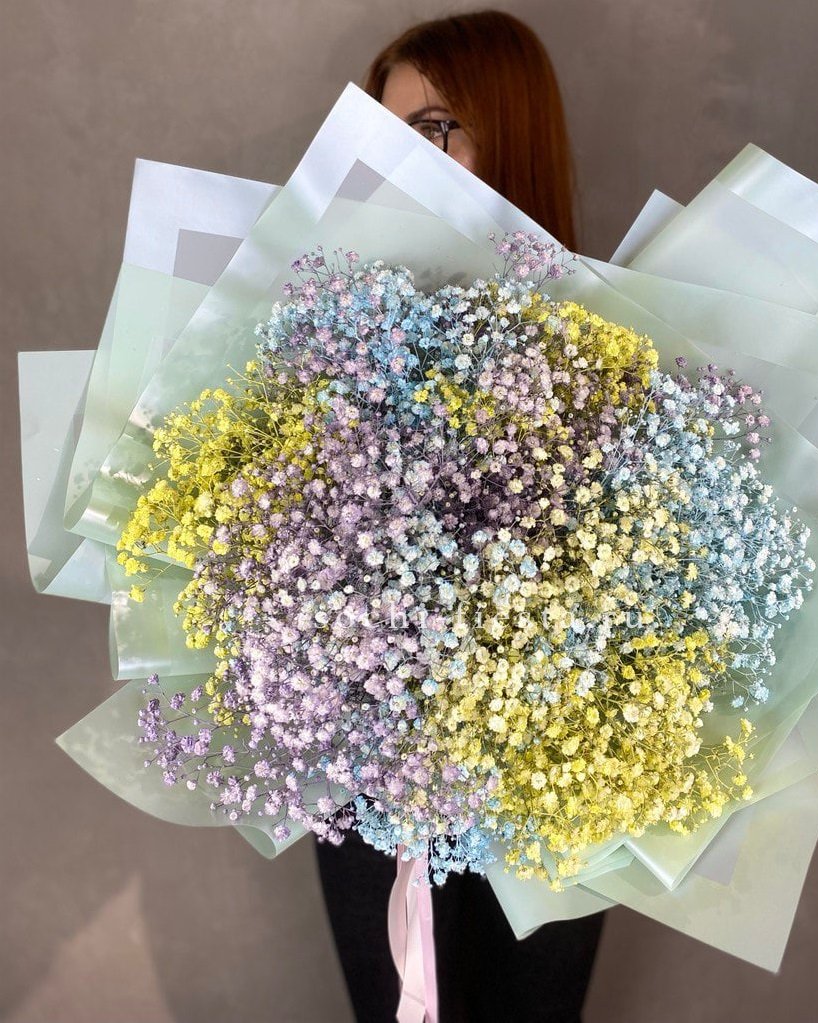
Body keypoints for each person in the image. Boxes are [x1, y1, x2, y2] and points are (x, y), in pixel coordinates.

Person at [314, 10, 606, 1023]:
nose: (404, 161)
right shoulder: (332, 349)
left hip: (558, 788)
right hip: (376, 789)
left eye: (434, 129)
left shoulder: (615, 357)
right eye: (384, 135)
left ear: (509, 128)